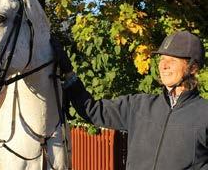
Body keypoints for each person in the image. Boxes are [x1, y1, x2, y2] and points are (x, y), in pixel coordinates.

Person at [50, 30, 208, 170]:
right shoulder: (139, 106)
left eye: (172, 60)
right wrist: (69, 73)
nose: (163, 66)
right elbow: (93, 110)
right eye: (161, 59)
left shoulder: (204, 114)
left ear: (193, 68)